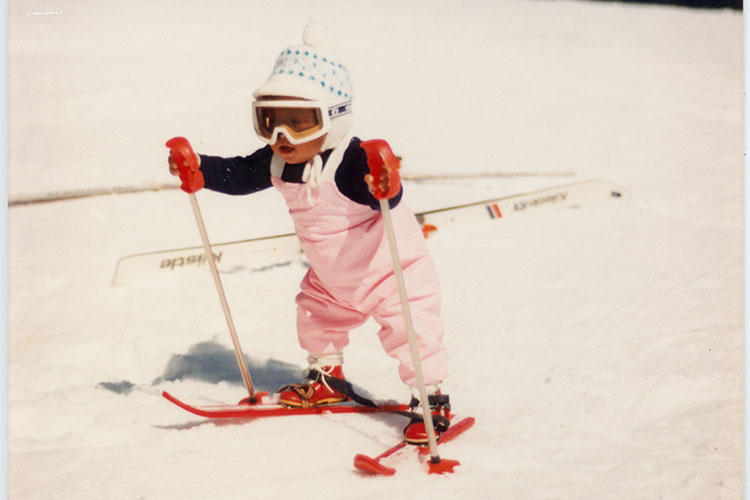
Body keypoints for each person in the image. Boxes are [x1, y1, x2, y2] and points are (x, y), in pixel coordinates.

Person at [167, 22, 450, 445]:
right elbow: (241, 174)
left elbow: (383, 195)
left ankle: (430, 400)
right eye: (269, 122)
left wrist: (384, 182)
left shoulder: (350, 163)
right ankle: (326, 378)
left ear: (332, 120)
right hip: (332, 278)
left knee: (413, 337)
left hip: (391, 274)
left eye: (298, 123)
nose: (281, 137)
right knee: (314, 318)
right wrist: (201, 170)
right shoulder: (279, 160)